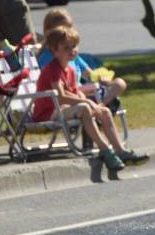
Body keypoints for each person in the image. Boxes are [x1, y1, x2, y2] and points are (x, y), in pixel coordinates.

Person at [34, 26, 148, 172]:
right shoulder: (52, 69)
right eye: (66, 47)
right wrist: (86, 101)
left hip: (64, 109)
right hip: (49, 112)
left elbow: (75, 93)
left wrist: (92, 104)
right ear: (55, 50)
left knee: (105, 111)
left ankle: (121, 150)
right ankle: (105, 149)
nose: (72, 50)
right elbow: (61, 97)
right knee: (85, 107)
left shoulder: (70, 69)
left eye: (74, 46)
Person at [37, 8, 128, 109]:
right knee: (101, 97)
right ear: (50, 32)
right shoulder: (47, 61)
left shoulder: (73, 56)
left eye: (70, 28)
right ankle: (99, 109)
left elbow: (90, 75)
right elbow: (59, 91)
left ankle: (100, 106)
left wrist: (100, 79)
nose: (68, 33)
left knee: (119, 83)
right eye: (64, 28)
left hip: (85, 92)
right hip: (72, 97)